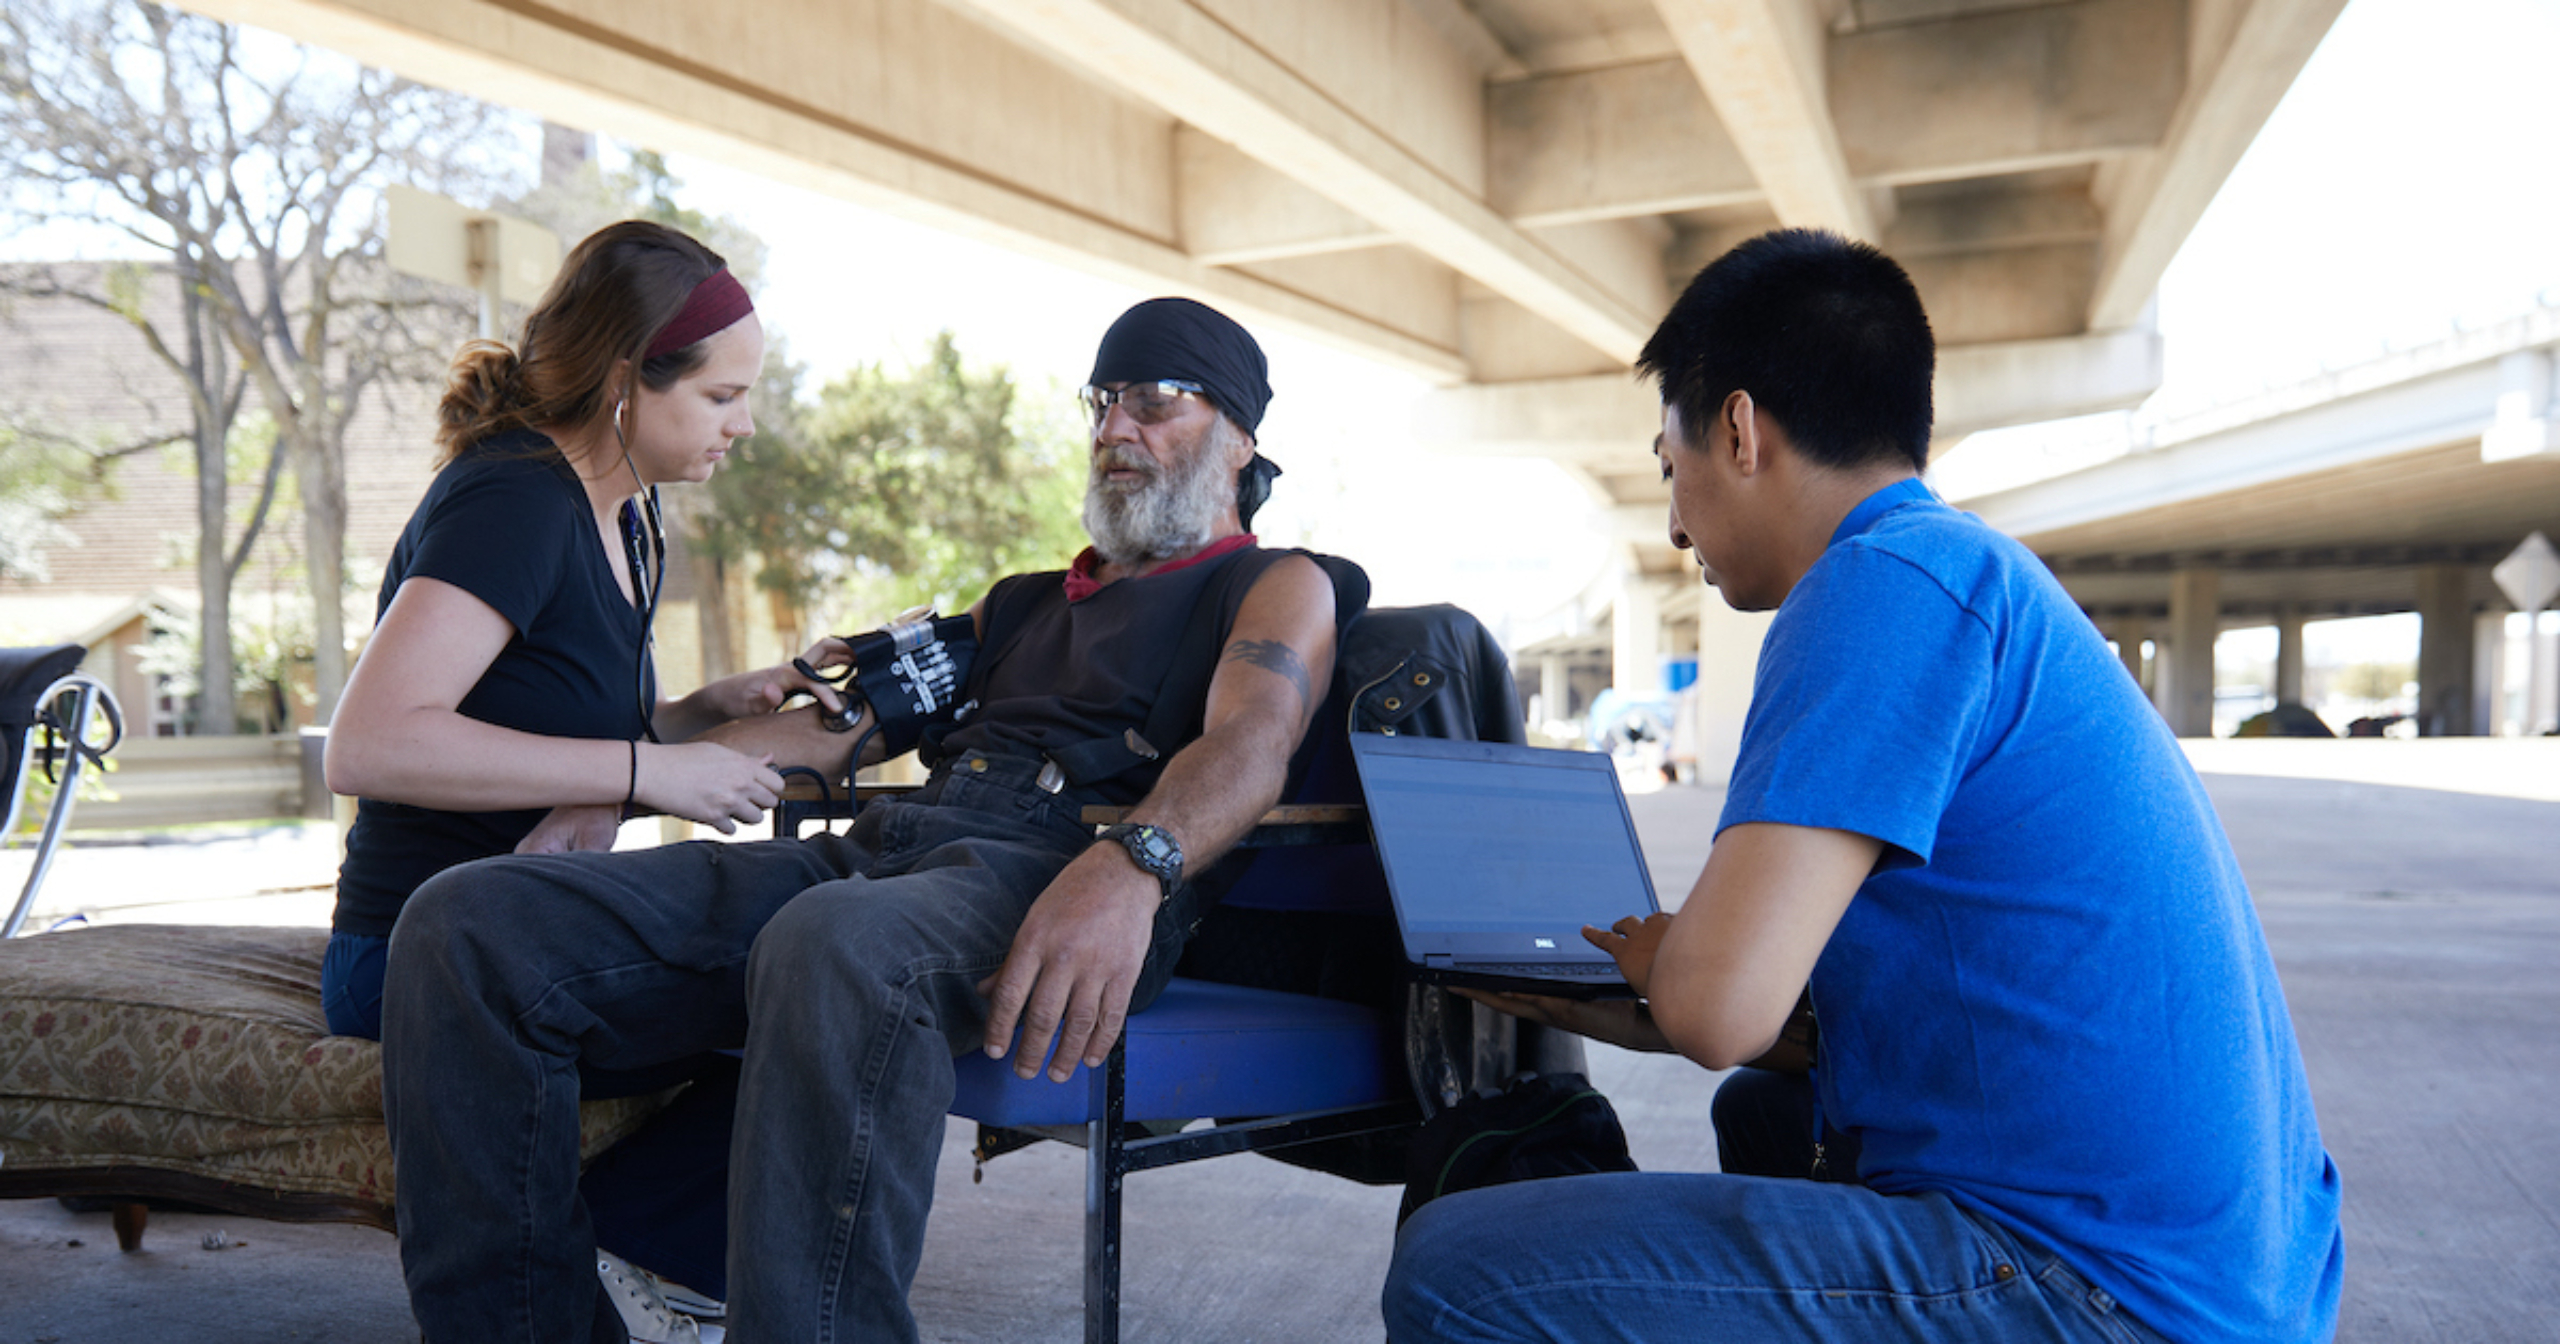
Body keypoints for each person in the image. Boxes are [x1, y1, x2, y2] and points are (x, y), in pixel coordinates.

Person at [1382, 230, 2343, 1344]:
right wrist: (1636, 992)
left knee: (1460, 1273)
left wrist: (1664, 965)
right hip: (2235, 1280)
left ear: (1738, 430)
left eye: (1667, 465)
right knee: (1769, 1117)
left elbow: (1714, 1008)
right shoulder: (1967, 572)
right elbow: (1817, 1022)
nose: (1674, 521)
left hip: (2107, 1294)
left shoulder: (1870, 590)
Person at [378, 296, 1347, 1343]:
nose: (1117, 429)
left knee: (837, 943)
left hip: (1068, 872)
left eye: (1157, 402)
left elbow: (1250, 743)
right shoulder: (1014, 606)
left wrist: (1136, 866)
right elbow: (824, 733)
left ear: (1240, 434)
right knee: (469, 922)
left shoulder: (1275, 584)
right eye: (1104, 402)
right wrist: (625, 781)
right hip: (895, 853)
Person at [323, 219, 847, 1336]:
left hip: (546, 928)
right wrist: (641, 769)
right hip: (418, 961)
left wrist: (696, 714)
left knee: (857, 970)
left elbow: (532, 711)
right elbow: (368, 741)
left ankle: (621, 1246)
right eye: (720, 397)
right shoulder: (512, 499)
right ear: (625, 384)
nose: (743, 424)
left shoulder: (627, 516)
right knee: (838, 987)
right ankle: (625, 1257)